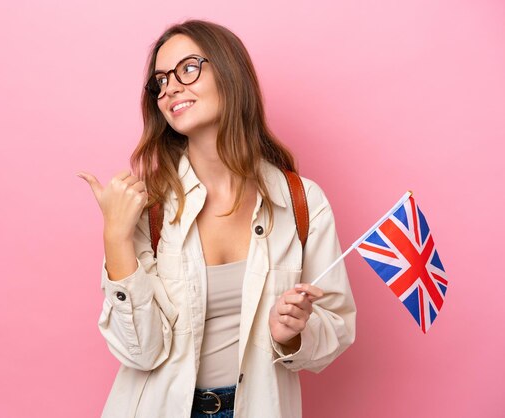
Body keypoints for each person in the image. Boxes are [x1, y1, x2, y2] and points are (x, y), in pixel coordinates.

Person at [78, 19, 356, 418]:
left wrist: (293, 336)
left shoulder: (301, 201)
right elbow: (141, 352)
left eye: (187, 68)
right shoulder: (150, 205)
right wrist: (115, 238)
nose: (170, 87)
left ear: (229, 72)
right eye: (160, 80)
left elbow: (337, 327)